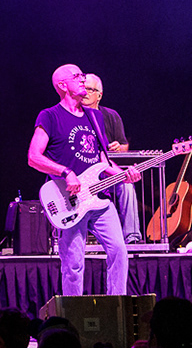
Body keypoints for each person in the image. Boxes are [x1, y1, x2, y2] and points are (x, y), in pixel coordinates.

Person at [28, 64, 136, 296]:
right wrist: (66, 172)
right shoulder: (50, 116)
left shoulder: (95, 117)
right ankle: (73, 311)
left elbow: (102, 160)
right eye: (76, 76)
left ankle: (117, 305)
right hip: (70, 200)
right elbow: (34, 157)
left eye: (82, 75)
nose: (82, 79)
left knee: (119, 250)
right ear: (62, 85)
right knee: (74, 264)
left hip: (99, 198)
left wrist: (124, 175)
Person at [82, 73, 143, 245]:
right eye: (83, 88)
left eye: (89, 89)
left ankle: (132, 237)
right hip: (82, 175)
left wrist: (117, 147)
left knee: (127, 186)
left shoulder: (111, 115)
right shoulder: (75, 115)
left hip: (107, 172)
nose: (85, 93)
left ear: (99, 95)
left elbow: (124, 146)